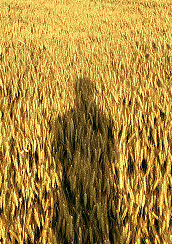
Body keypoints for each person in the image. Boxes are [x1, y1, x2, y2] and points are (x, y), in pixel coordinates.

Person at [51, 78, 121, 243]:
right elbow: (112, 155)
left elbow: (57, 154)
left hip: (71, 185)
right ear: (93, 93)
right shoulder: (104, 121)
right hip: (100, 187)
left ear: (76, 93)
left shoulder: (64, 120)